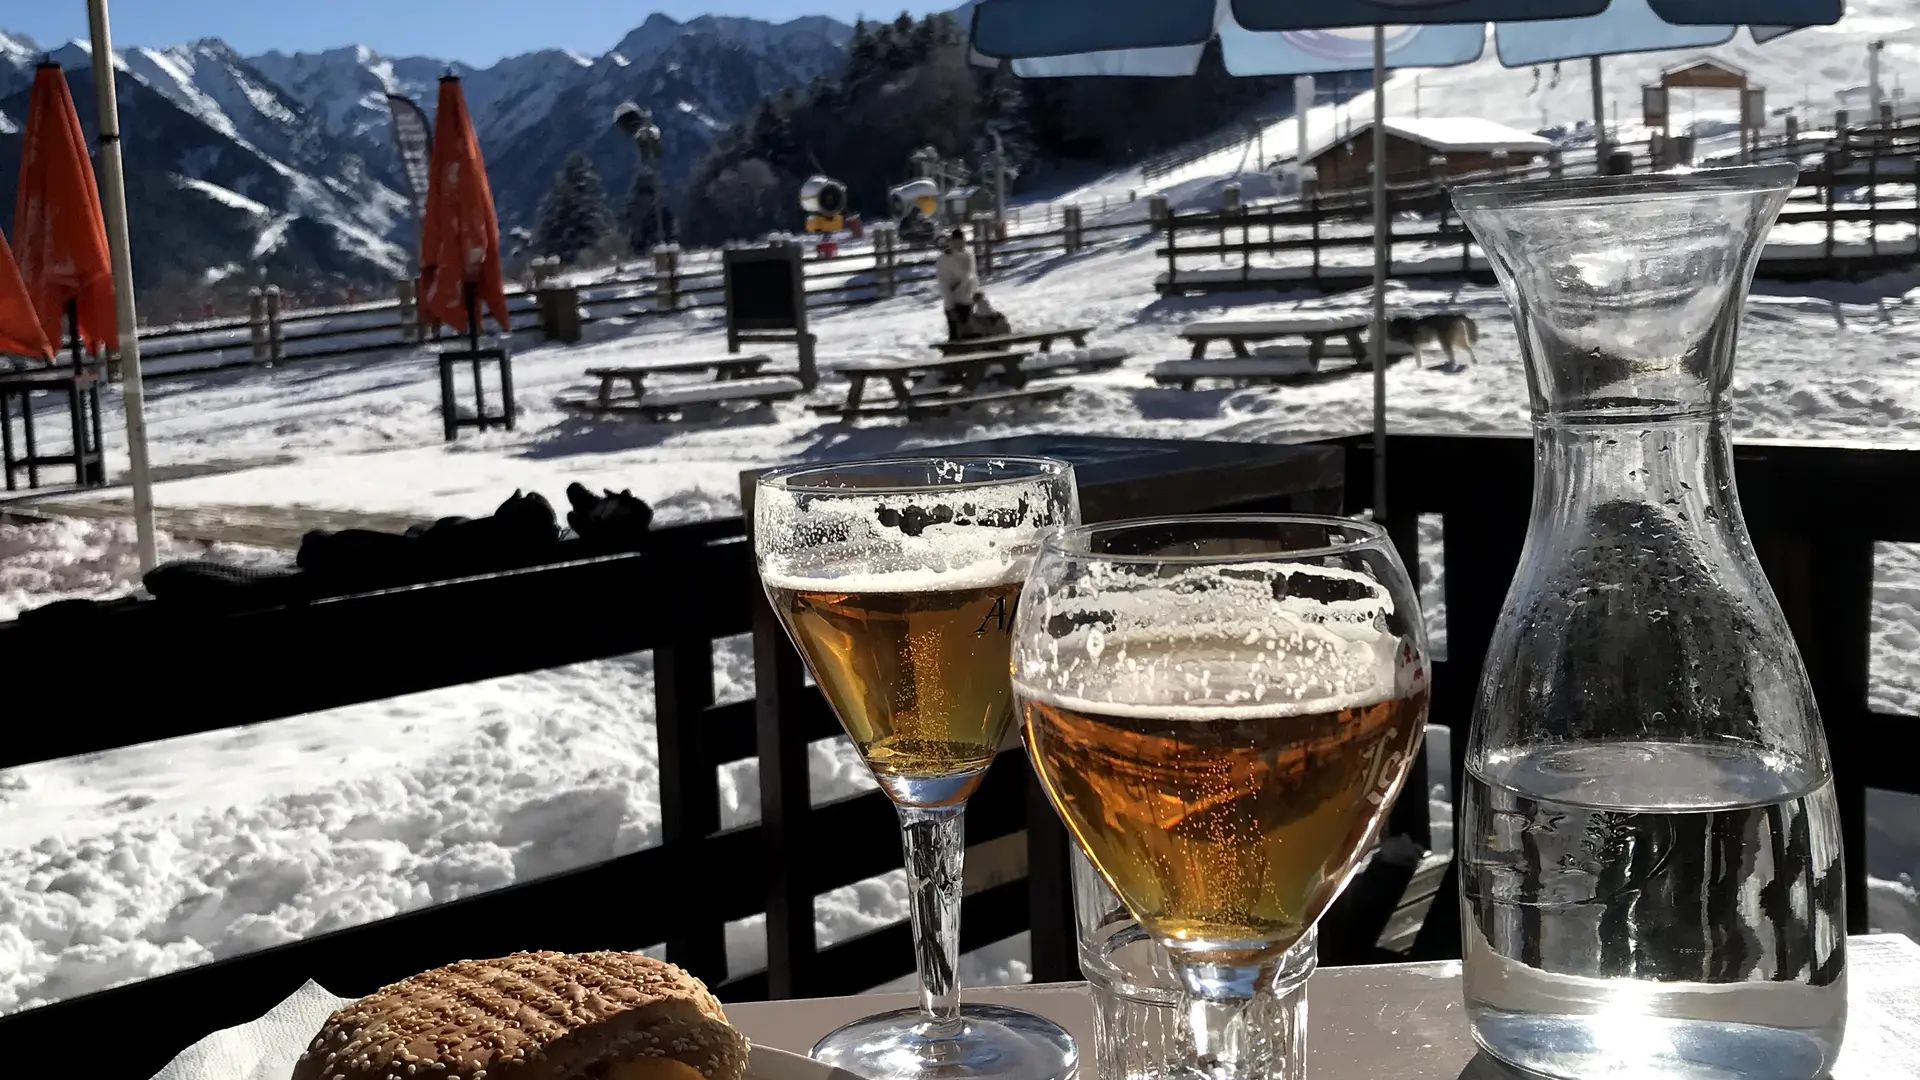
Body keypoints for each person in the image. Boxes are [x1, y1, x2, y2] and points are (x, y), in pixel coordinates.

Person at [935, 227, 978, 341]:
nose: (960, 245)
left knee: (969, 336)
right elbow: (944, 284)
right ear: (951, 242)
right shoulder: (944, 259)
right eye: (956, 243)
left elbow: (971, 275)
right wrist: (950, 307)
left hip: (967, 300)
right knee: (956, 336)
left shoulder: (968, 255)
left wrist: (975, 293)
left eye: (961, 242)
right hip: (954, 302)